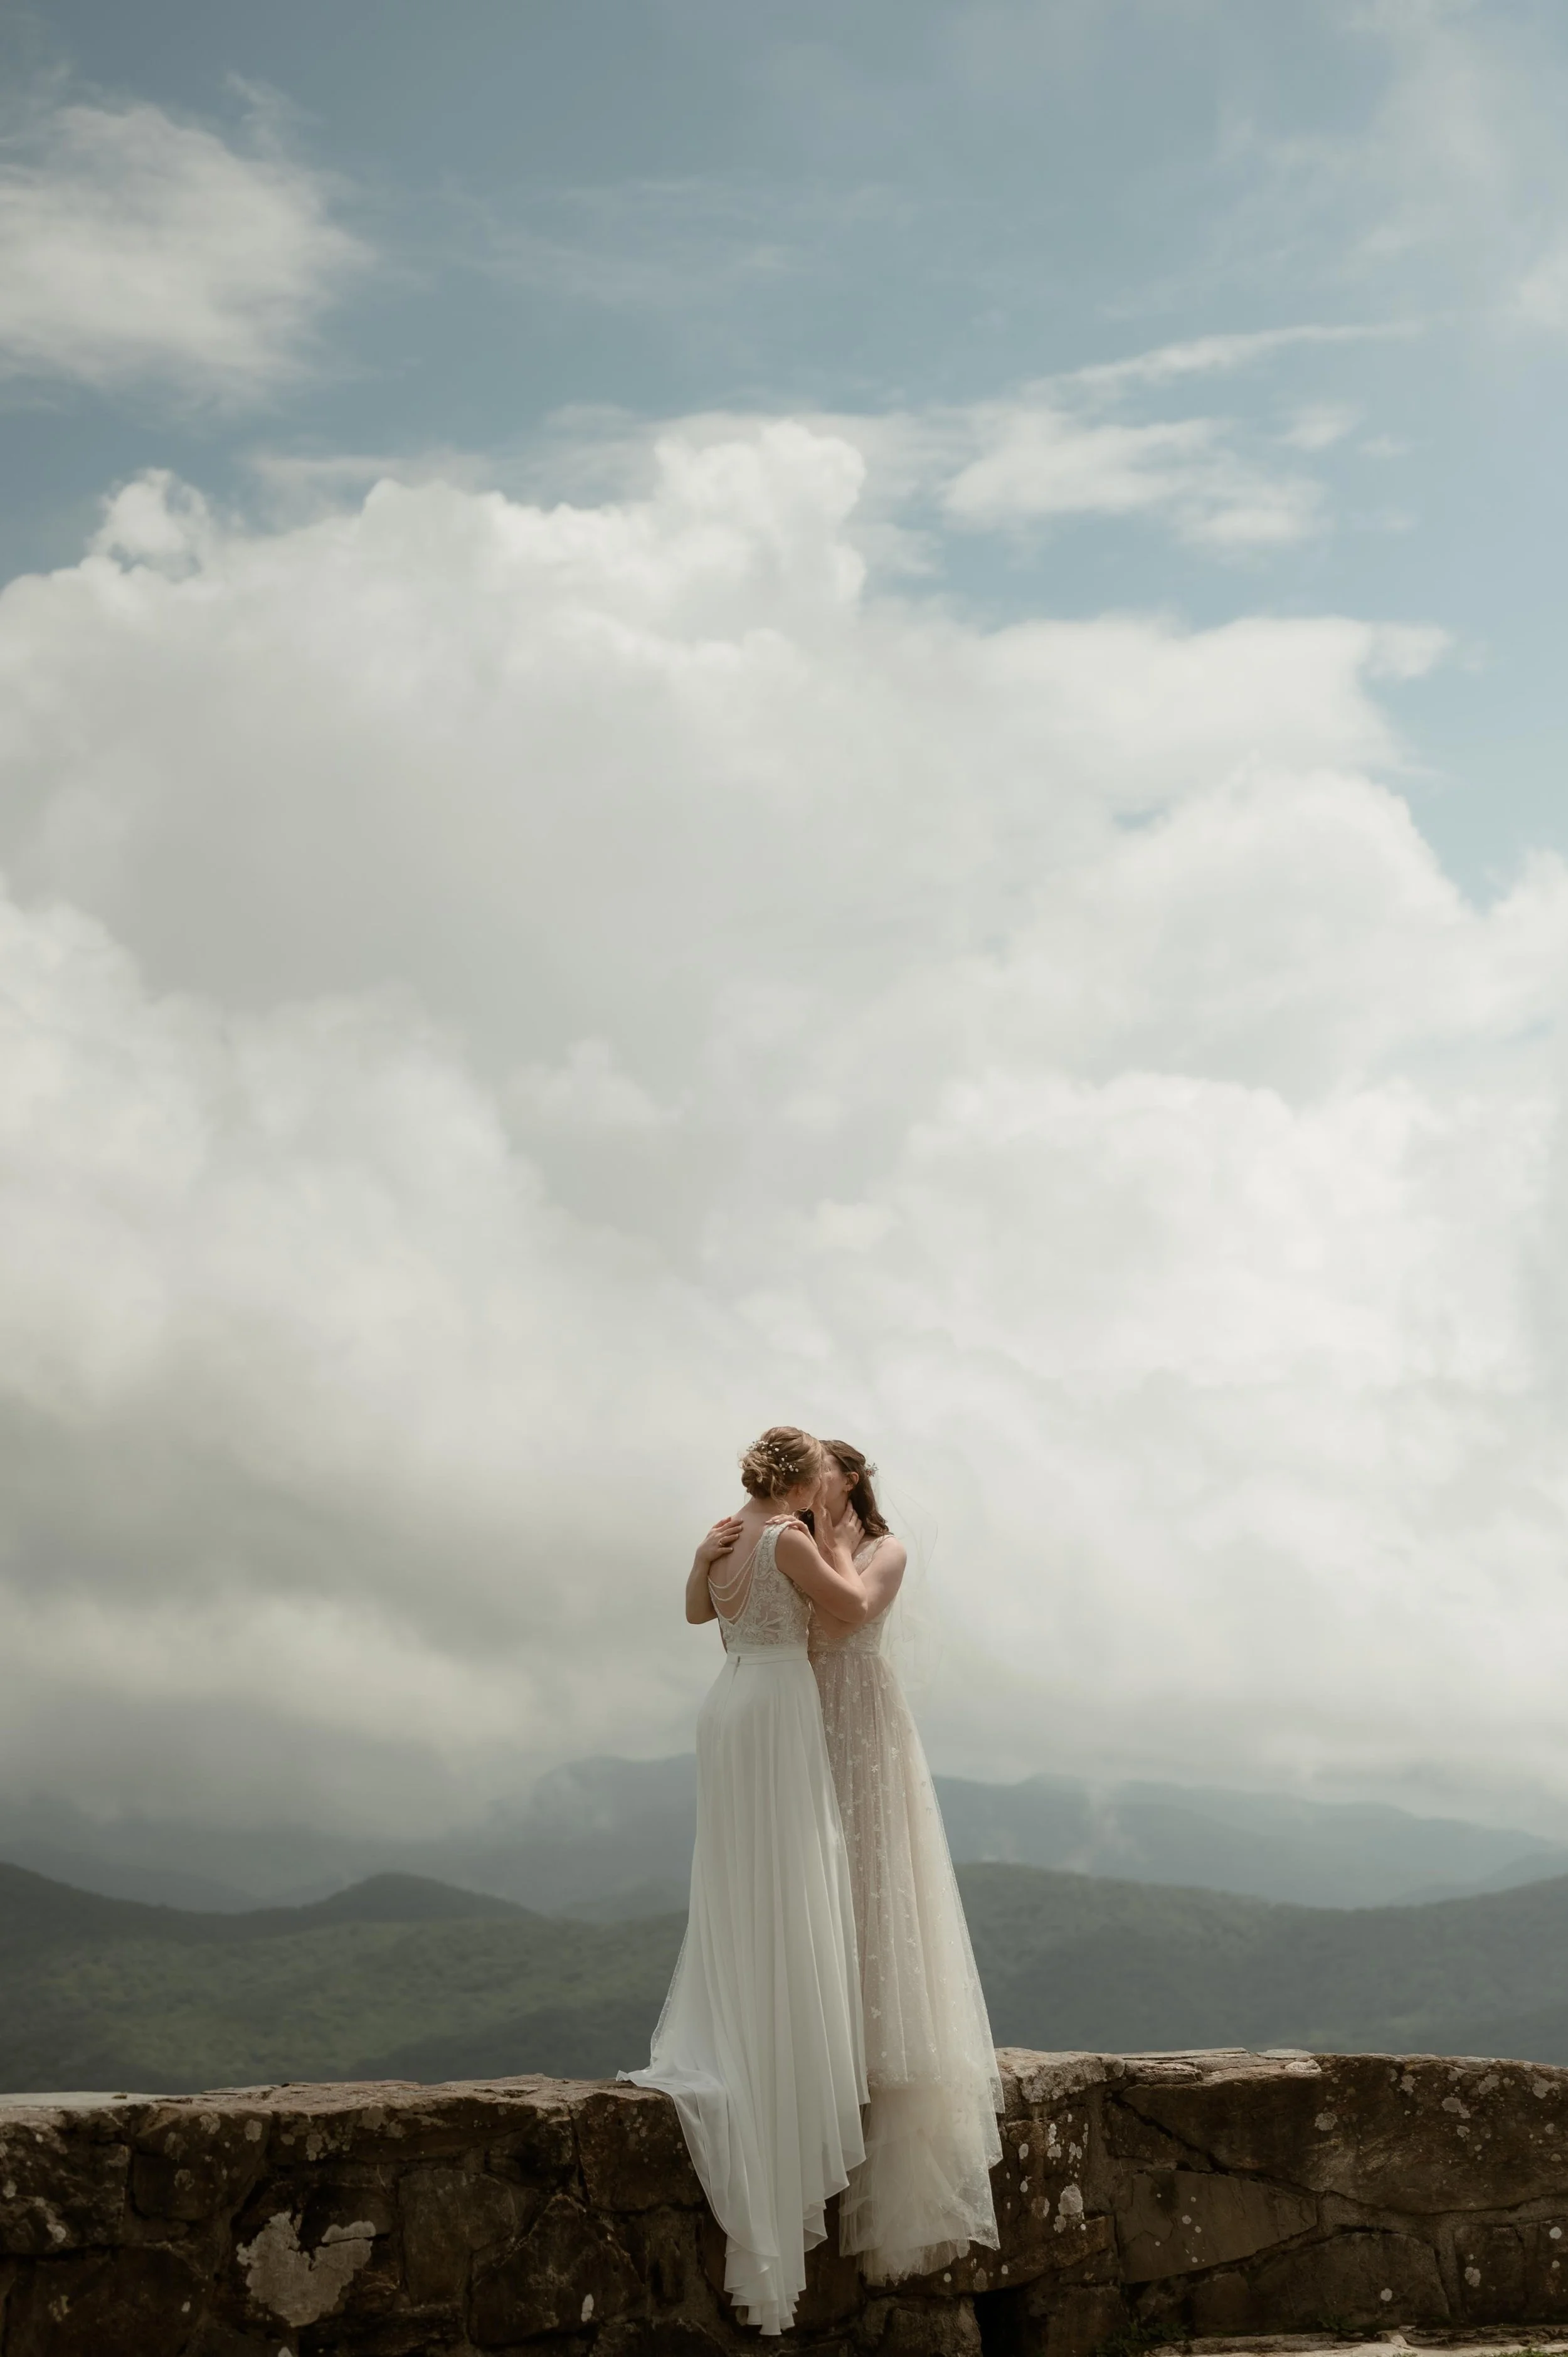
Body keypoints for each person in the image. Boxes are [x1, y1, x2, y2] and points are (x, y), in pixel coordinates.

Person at [623, 1425, 874, 2337]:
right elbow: (849, 1606)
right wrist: (841, 1541)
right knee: (786, 1866)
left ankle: (743, 2018)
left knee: (740, 1872)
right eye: (820, 1474)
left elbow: (698, 1613)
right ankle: (778, 2041)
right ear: (800, 1477)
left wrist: (701, 1555)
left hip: (726, 1702)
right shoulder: (791, 1538)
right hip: (775, 1704)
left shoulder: (724, 1534)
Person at [807, 1439, 1003, 2284]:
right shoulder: (791, 1539)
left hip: (861, 1722)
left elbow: (848, 1614)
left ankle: (875, 2053)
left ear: (851, 1478)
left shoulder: (884, 1549)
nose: (809, 1478)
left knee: (873, 1881)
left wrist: (829, 1547)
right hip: (800, 1722)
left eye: (822, 1465)